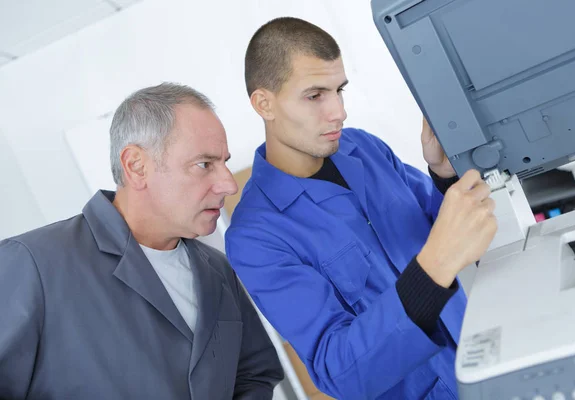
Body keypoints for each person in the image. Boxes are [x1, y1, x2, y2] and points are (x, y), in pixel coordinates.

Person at [224, 17, 497, 399]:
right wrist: (432, 267)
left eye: (339, 90)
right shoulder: (255, 237)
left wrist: (442, 176)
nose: (338, 112)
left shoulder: (363, 148)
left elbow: (443, 232)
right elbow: (340, 373)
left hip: (488, 365)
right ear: (264, 103)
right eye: (315, 95)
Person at [0, 83, 283, 400]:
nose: (228, 184)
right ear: (136, 166)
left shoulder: (217, 269)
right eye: (204, 164)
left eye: (224, 163)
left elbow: (255, 373)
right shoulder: (32, 264)